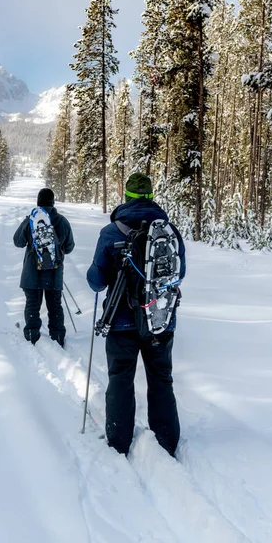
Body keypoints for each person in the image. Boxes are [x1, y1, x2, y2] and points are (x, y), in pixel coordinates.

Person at [87, 173, 186, 457]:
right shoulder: (168, 230)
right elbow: (180, 273)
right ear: (151, 196)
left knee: (120, 377)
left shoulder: (111, 232)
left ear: (126, 196)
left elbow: (97, 281)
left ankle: (118, 442)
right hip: (160, 319)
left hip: (121, 321)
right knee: (161, 378)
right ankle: (167, 443)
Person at [13, 188, 75, 347]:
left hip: (31, 273)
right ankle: (58, 336)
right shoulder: (62, 221)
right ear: (53, 202)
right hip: (54, 273)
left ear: (38, 202)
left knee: (32, 304)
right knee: (54, 305)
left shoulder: (30, 221)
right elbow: (69, 247)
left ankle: (32, 336)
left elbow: (18, 242)